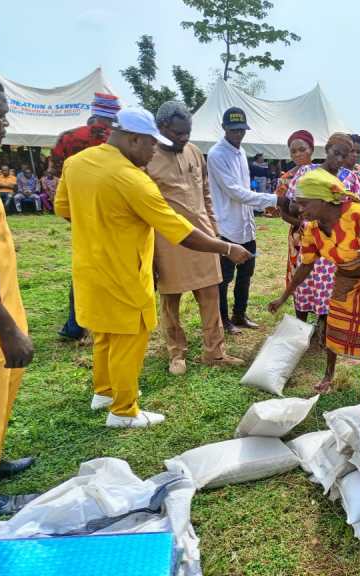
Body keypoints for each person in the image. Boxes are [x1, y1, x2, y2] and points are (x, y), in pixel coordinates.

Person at [54, 108, 253, 428]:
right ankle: (123, 410)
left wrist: (102, 228)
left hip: (89, 268)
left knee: (105, 332)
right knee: (130, 336)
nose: (151, 153)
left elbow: (64, 209)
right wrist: (227, 248)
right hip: (124, 272)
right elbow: (180, 231)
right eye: (150, 145)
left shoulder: (77, 163)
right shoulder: (133, 180)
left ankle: (104, 392)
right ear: (133, 139)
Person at [268, 169, 360, 400]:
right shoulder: (312, 230)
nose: (299, 209)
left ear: (324, 200)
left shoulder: (355, 214)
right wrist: (283, 297)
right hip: (344, 280)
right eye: (297, 203)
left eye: (304, 203)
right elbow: (305, 266)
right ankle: (328, 375)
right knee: (332, 330)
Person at [147, 102, 243, 376]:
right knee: (171, 301)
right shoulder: (147, 156)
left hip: (203, 236)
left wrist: (213, 230)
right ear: (162, 128)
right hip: (167, 242)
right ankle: (176, 353)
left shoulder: (193, 153)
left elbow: (206, 194)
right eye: (178, 134)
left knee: (211, 295)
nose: (184, 138)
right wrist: (149, 252)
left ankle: (215, 351)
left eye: (187, 132)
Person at [0, 71, 38, 518]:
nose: (5, 122)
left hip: (1, 297)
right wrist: (4, 326)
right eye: (0, 114)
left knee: (1, 387)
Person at [207, 107, 285, 334]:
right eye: (233, 130)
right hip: (227, 227)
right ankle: (223, 320)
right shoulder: (216, 154)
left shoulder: (241, 152)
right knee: (224, 278)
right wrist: (274, 199)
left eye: (241, 130)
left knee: (246, 274)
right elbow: (236, 192)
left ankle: (239, 314)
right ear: (224, 128)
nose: (238, 134)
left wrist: (261, 208)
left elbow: (244, 192)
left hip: (245, 225)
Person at [53, 92, 121, 342]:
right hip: (111, 214)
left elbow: (56, 176)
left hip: (79, 212)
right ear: (114, 116)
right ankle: (102, 324)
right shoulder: (115, 140)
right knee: (111, 269)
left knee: (83, 269)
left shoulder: (67, 138)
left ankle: (74, 325)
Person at [277, 130, 331, 337]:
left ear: (311, 149)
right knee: (301, 280)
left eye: (302, 149)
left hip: (320, 236)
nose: (298, 154)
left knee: (321, 278)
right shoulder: (286, 179)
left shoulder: (322, 173)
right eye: (294, 151)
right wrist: (300, 224)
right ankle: (302, 326)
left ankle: (322, 323)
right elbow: (283, 212)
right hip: (299, 237)